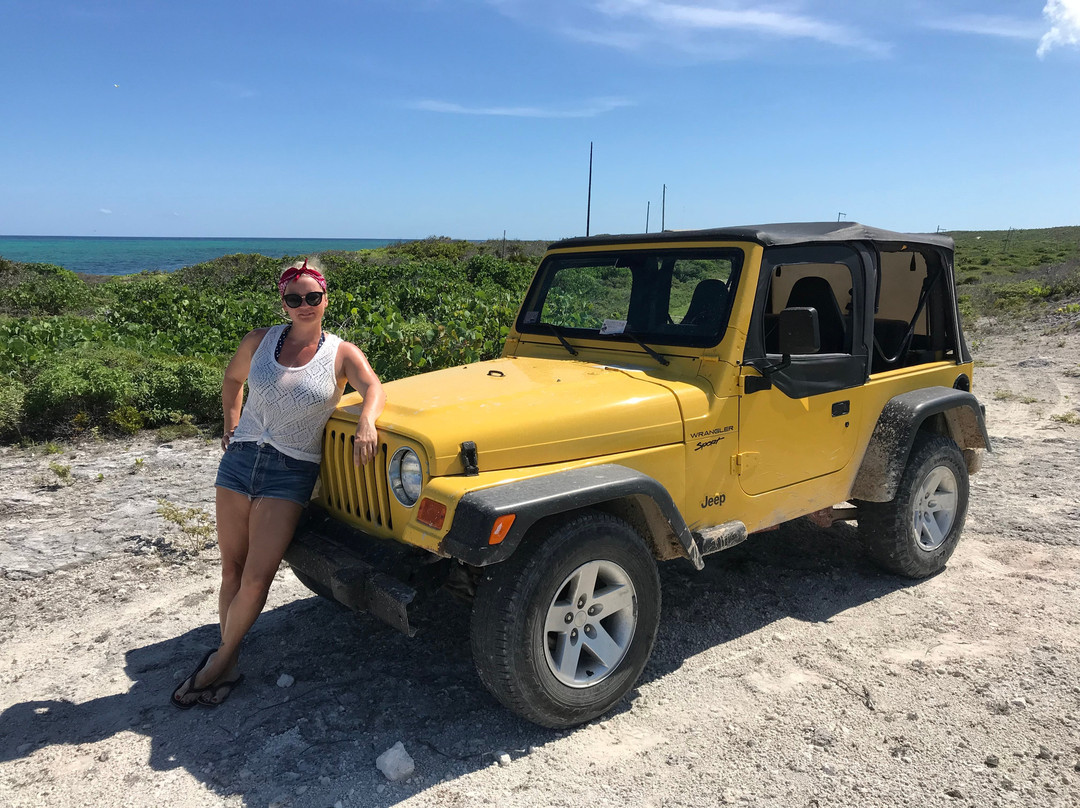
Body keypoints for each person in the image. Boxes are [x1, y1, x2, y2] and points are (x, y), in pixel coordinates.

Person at [171, 257, 385, 708]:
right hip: (239, 461)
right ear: (283, 301)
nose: (304, 305)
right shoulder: (260, 339)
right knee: (231, 569)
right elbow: (233, 379)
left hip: (289, 471)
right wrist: (230, 422)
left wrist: (367, 421)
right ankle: (227, 667)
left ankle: (218, 661)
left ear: (325, 298)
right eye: (294, 298)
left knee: (256, 576)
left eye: (313, 297)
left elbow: (374, 388)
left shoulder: (341, 353)